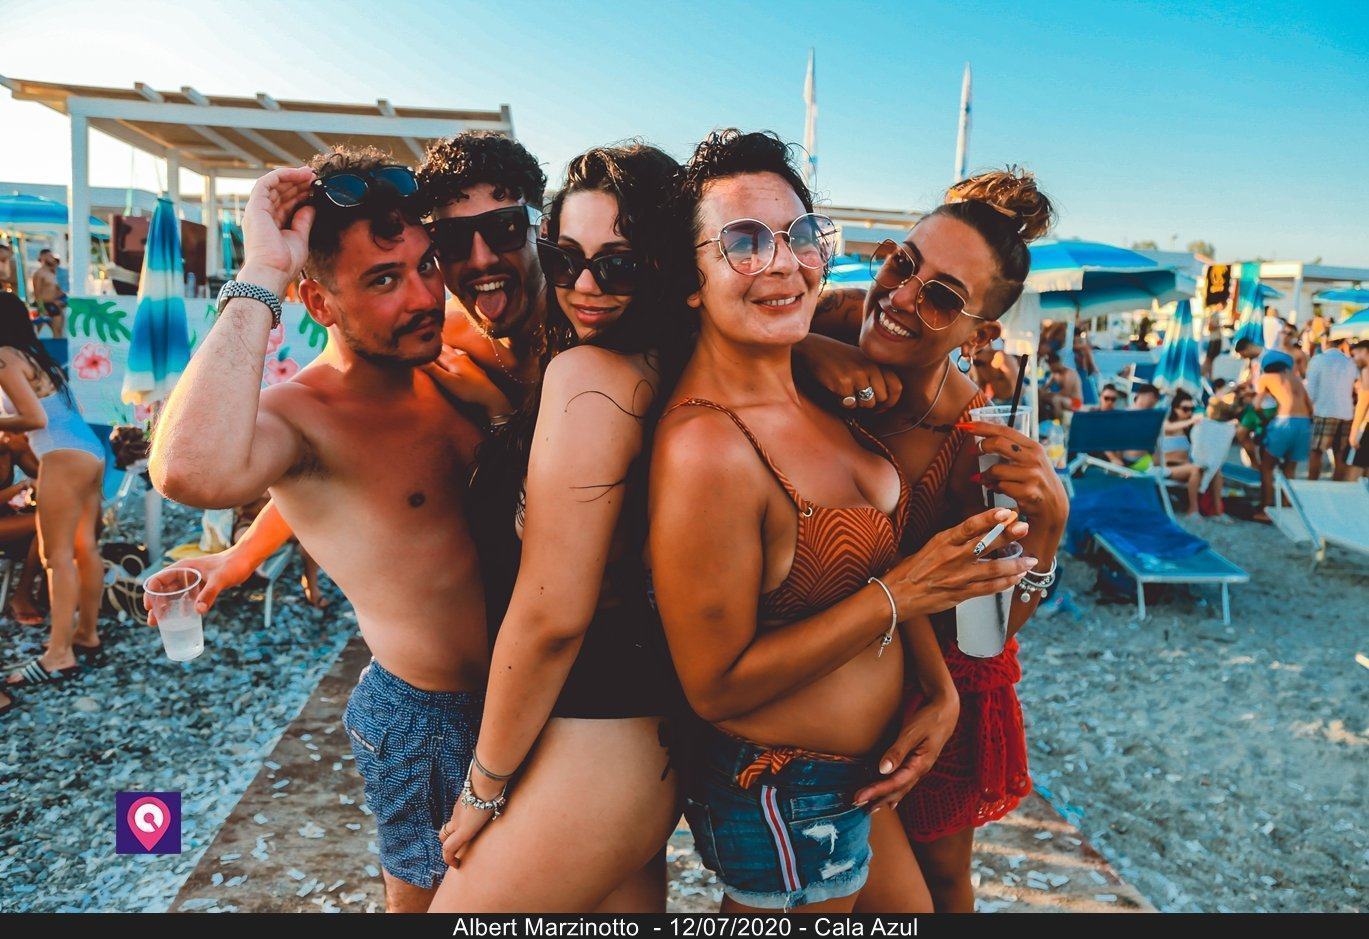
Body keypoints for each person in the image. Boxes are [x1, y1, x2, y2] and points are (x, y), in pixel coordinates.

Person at [649, 130, 1036, 914]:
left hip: (858, 774)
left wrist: (939, 690)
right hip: (783, 790)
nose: (782, 263)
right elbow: (714, 684)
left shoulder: (817, 388)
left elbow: (899, 579)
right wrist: (903, 594)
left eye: (799, 236)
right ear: (690, 275)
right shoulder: (708, 447)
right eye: (744, 242)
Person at [148, 148, 503, 911]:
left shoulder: (442, 362)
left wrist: (240, 556)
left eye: (426, 266)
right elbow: (187, 471)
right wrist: (263, 271)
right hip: (431, 718)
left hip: (528, 698)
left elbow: (361, 496)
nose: (423, 295)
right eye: (383, 280)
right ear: (317, 301)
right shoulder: (301, 415)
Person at [429, 144, 690, 912]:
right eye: (565, 259)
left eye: (619, 265)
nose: (583, 286)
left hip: (592, 733)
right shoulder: (665, 363)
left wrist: (483, 784)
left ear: (667, 263)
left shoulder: (589, 376)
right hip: (642, 745)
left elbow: (551, 615)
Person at [800, 167, 1067, 912]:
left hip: (927, 689)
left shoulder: (971, 446)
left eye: (943, 297)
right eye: (901, 263)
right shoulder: (834, 316)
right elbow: (709, 327)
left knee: (941, 878)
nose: (901, 297)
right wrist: (801, 349)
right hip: (818, 677)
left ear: (978, 335)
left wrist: (1047, 536)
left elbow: (983, 636)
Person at [0, 292, 106, 691]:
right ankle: (87, 635)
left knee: (55, 556)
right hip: (90, 451)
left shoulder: (4, 357)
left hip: (62, 456)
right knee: (84, 548)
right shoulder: (34, 356)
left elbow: (34, 418)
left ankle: (59, 654)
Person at [1251, 356, 1313, 523]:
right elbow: (1310, 406)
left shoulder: (1266, 378)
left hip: (1284, 421)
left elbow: (1257, 404)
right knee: (1290, 469)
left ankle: (1266, 508)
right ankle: (1286, 505)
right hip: (1305, 424)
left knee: (1267, 467)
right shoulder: (1297, 380)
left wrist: (1264, 419)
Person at [0, 430, 44, 624]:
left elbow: (44, 472)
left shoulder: (11, 448)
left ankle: (39, 593)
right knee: (46, 521)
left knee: (52, 526)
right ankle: (22, 596)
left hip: (6, 518)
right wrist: (20, 487)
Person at [1160, 391, 1224, 518]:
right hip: (1169, 467)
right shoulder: (1167, 423)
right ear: (1175, 409)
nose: (1189, 412)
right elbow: (1168, 428)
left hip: (1186, 466)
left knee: (1215, 470)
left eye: (1191, 409)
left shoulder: (1190, 428)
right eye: (1185, 409)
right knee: (1195, 469)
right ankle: (1193, 509)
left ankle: (1218, 511)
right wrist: (1191, 421)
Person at [1304, 336, 1359, 481]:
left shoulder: (1318, 360)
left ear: (1325, 341)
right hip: (1346, 412)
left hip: (1324, 411)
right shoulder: (1350, 362)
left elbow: (1311, 391)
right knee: (1340, 453)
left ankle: (1312, 485)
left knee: (1316, 451)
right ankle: (1337, 486)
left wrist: (1309, 411)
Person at [30, 249, 66, 339]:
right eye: (50, 256)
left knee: (58, 331)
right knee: (34, 334)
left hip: (54, 305)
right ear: (43, 257)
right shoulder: (39, 273)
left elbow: (57, 291)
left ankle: (57, 348)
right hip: (44, 306)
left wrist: (62, 301)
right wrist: (42, 309)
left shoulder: (52, 273)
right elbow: (37, 293)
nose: (52, 258)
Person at [969, 339, 1019, 403]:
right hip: (997, 401)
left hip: (1014, 399)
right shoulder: (979, 364)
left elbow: (1017, 383)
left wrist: (1018, 403)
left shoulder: (1002, 358)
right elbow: (980, 387)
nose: (975, 357)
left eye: (978, 352)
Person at [1347, 340, 1369, 482]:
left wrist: (1354, 431)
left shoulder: (1367, 370)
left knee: (1355, 473)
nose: (1354, 359)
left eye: (1355, 355)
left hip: (1367, 426)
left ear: (1365, 351)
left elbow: (1364, 401)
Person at [1043, 353, 1082, 419]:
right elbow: (1045, 387)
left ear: (1056, 363)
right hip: (1065, 400)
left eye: (1050, 365)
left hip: (1076, 402)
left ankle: (1059, 421)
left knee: (1056, 399)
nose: (1049, 367)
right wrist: (1041, 393)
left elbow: (1066, 392)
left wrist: (1049, 394)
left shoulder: (1069, 373)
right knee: (1043, 398)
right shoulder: (1055, 374)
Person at [1202, 309, 1225, 381]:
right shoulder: (1214, 314)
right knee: (1208, 360)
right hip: (1214, 340)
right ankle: (1203, 375)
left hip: (1216, 340)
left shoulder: (1217, 314)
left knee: (1211, 360)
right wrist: (1219, 326)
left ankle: (1209, 377)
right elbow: (1210, 327)